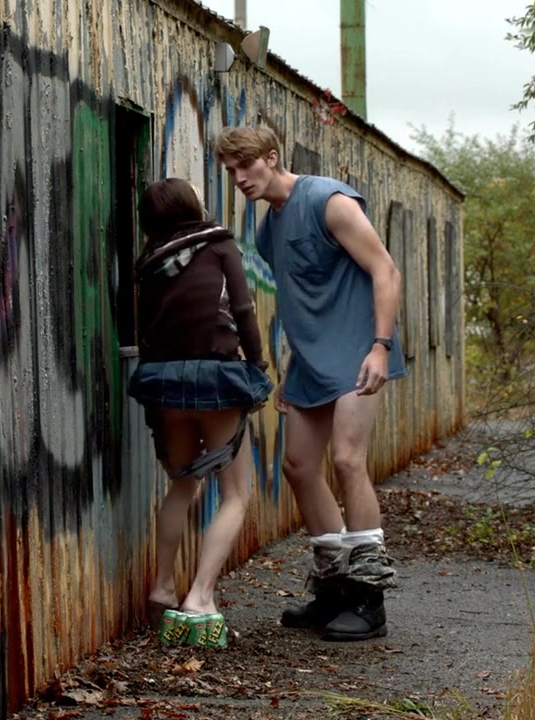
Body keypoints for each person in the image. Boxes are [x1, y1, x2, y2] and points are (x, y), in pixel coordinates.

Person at [214, 125, 403, 642]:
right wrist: (292, 364)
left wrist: (381, 346)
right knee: (298, 465)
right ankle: (334, 588)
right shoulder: (267, 229)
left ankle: (369, 599)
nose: (239, 177)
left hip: (359, 349)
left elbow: (385, 270)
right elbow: (300, 300)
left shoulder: (328, 200)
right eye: (231, 170)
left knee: (347, 460)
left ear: (272, 157)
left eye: (246, 165)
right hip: (311, 360)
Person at [126, 178, 273, 648]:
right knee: (236, 493)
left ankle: (163, 587)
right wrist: (257, 365)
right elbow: (243, 309)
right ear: (191, 205)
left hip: (163, 380)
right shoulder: (219, 245)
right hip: (216, 377)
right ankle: (200, 597)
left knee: (183, 483)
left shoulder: (148, 261)